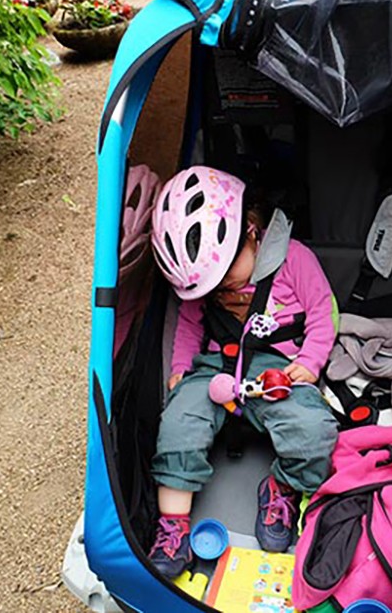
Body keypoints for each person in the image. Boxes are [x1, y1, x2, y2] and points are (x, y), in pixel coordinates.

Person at [148, 165, 339, 578]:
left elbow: (325, 311)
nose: (221, 290)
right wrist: (181, 369)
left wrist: (309, 362)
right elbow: (189, 325)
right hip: (217, 367)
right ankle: (173, 527)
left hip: (278, 371)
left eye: (223, 278)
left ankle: (282, 486)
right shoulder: (203, 283)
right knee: (178, 425)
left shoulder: (294, 259)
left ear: (251, 232)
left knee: (314, 435)